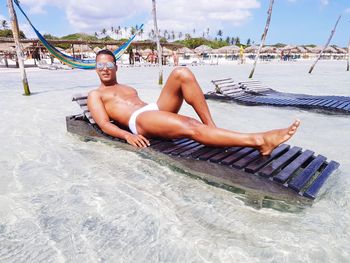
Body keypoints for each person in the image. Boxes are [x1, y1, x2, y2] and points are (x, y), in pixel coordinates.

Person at [88, 50, 300, 155]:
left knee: (182, 72)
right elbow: (104, 124)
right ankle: (259, 141)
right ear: (96, 69)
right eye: (100, 65)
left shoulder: (128, 88)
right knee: (189, 125)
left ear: (116, 67)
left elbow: (145, 105)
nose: (104, 68)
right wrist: (127, 135)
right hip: (139, 121)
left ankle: (212, 128)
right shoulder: (95, 95)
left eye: (108, 64)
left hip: (152, 110)